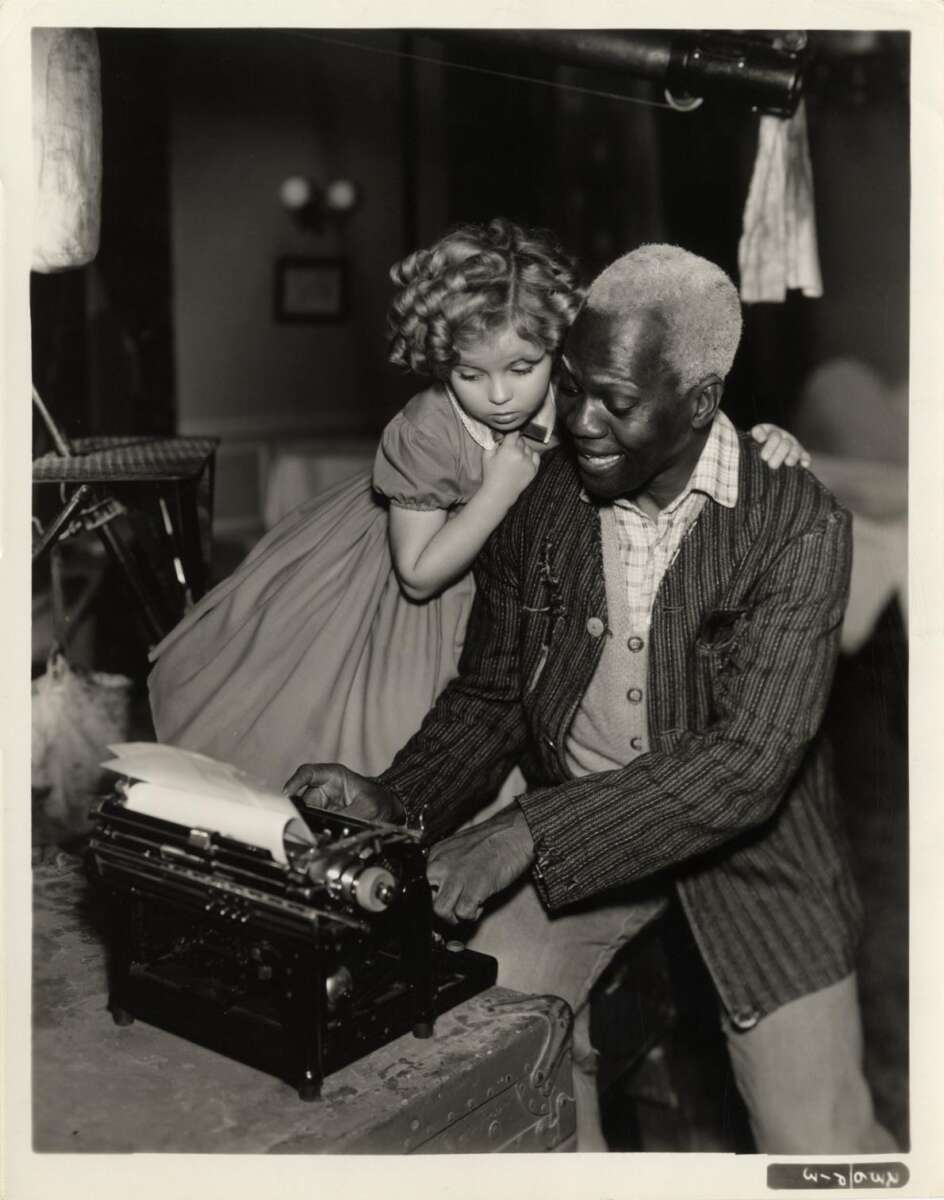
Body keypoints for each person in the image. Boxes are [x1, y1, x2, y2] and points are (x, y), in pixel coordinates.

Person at [285, 244, 895, 1155]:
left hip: (758, 870)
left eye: (615, 399)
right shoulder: (544, 503)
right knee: (503, 1058)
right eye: (570, 386)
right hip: (580, 847)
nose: (578, 422)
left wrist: (526, 833)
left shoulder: (797, 524)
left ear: (700, 403)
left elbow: (747, 767)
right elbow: (491, 695)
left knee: (821, 1149)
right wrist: (394, 803)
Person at [148, 220, 804, 793]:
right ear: (441, 362)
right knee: (388, 745)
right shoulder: (429, 429)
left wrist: (751, 440)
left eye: (522, 368)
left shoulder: (573, 391)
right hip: (402, 598)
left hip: (518, 589)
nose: (498, 396)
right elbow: (419, 574)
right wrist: (500, 485)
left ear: (558, 346)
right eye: (469, 374)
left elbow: (661, 419)